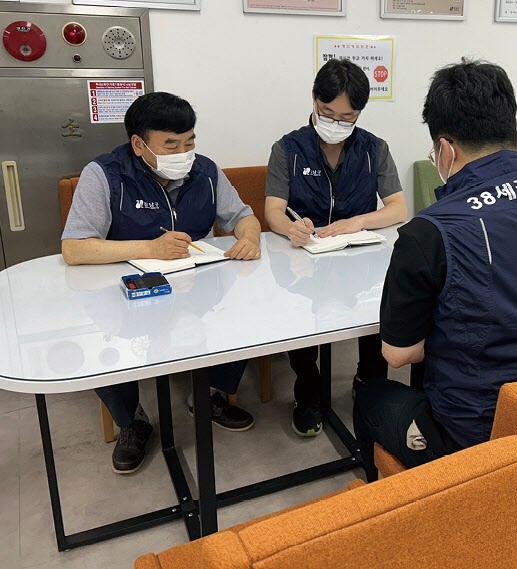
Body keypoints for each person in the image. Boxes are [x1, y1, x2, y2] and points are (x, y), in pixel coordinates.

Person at [353, 59, 517, 481]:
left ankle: (406, 511)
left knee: (369, 394)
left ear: (444, 151)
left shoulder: (430, 231)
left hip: (476, 436)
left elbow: (399, 354)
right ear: (516, 138)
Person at [61, 92, 262, 474]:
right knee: (100, 332)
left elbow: (243, 216)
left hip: (195, 284)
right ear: (139, 144)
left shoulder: (205, 170)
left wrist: (248, 238)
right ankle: (132, 421)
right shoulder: (104, 174)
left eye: (189, 142)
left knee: (244, 311)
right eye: (170, 144)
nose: (183, 152)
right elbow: (74, 249)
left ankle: (211, 395)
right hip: (128, 290)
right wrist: (150, 248)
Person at [264, 59, 407, 437]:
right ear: (314, 100)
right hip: (305, 255)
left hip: (360, 255)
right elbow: (272, 211)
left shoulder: (374, 148)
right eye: (327, 113)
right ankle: (308, 389)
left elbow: (398, 207)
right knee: (299, 316)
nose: (335, 123)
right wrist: (292, 228)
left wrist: (358, 221)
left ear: (359, 113)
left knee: (381, 307)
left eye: (346, 117)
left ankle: (369, 383)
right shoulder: (288, 148)